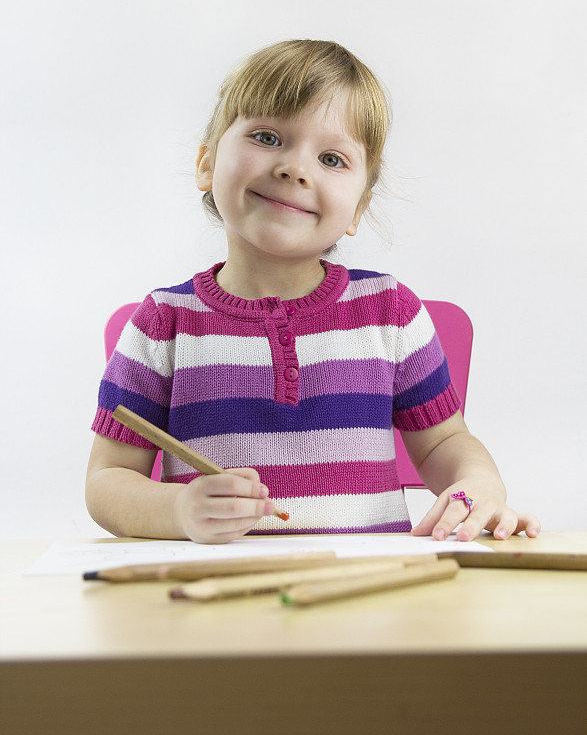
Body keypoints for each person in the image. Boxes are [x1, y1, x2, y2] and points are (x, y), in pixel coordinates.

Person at [86, 39, 540, 545]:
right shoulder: (163, 324)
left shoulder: (390, 314)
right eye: (266, 136)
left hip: (371, 599)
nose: (295, 168)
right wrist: (178, 509)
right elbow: (107, 483)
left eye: (331, 158)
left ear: (359, 209)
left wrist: (477, 485)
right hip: (216, 605)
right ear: (207, 163)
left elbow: (444, 444)